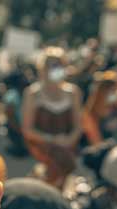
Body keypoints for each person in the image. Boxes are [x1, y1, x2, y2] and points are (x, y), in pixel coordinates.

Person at [22, 47, 82, 188]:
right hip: (42, 147)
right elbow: (27, 129)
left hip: (67, 147)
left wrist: (68, 141)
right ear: (42, 69)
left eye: (58, 66)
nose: (54, 70)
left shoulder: (73, 92)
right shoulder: (33, 93)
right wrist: (52, 141)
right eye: (50, 66)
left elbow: (78, 126)